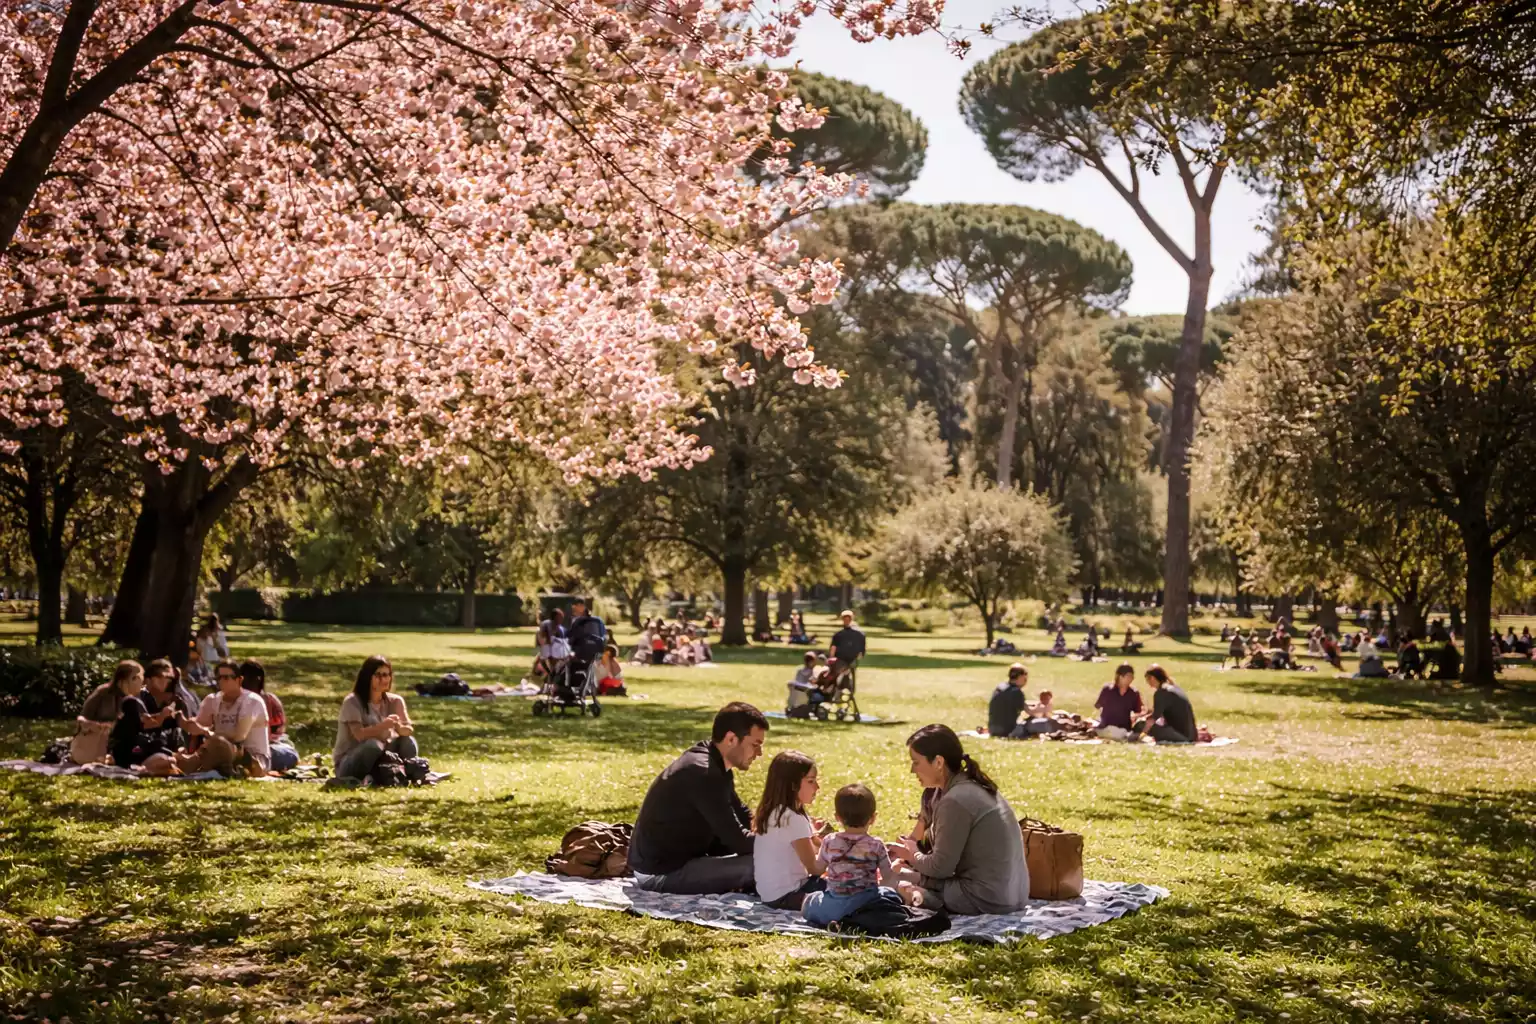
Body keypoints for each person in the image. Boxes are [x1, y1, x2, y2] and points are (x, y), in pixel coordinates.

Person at [628, 702, 768, 894]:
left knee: (767, 858)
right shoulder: (704, 772)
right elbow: (737, 840)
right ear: (731, 739)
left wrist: (774, 829)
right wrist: (781, 843)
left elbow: (741, 813)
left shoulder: (715, 764)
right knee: (762, 864)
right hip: (661, 873)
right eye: (755, 745)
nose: (759, 753)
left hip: (682, 860)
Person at [888, 725, 1028, 915]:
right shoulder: (965, 787)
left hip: (986, 899)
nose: (912, 770)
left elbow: (939, 869)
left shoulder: (955, 800)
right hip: (1010, 894)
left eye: (916, 762)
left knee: (889, 882)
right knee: (896, 874)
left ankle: (922, 898)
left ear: (938, 762)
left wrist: (912, 855)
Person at [801, 783, 904, 926]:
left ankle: (837, 920)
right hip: (867, 904)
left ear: (837, 817)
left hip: (834, 905)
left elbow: (818, 870)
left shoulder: (829, 841)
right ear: (873, 818)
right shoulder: (876, 845)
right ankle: (855, 919)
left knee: (810, 901)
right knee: (889, 894)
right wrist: (895, 868)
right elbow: (888, 878)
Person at [752, 750, 827, 911]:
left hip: (770, 895)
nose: (817, 787)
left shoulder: (776, 812)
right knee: (847, 891)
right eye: (811, 781)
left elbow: (810, 848)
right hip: (789, 896)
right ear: (793, 785)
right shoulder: (792, 819)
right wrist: (836, 854)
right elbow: (814, 868)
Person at [332, 655, 417, 782]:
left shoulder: (395, 701)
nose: (384, 679)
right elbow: (359, 734)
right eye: (379, 675)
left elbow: (408, 730)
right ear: (367, 677)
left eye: (387, 675)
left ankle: (405, 774)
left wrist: (399, 728)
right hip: (350, 761)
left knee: (408, 741)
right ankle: (374, 776)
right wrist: (384, 726)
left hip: (383, 757)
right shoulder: (352, 701)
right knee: (373, 745)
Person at [179, 658, 271, 775]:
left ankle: (195, 764)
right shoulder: (212, 700)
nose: (222, 681)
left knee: (219, 742)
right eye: (219, 678)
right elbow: (197, 729)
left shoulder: (251, 701)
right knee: (214, 744)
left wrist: (206, 732)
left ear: (239, 680)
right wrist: (187, 725)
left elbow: (238, 736)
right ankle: (192, 763)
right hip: (219, 751)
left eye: (226, 677)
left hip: (253, 757)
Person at [112, 658, 186, 775]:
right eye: (137, 678)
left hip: (141, 747)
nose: (167, 681)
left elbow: (151, 722)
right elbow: (145, 724)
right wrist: (162, 716)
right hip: (130, 751)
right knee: (166, 759)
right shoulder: (129, 701)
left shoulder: (143, 699)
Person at [72, 660, 144, 764]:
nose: (141, 682)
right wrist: (96, 725)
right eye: (139, 678)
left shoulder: (138, 698)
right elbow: (82, 718)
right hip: (99, 740)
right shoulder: (103, 693)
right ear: (129, 679)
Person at [241, 659, 299, 772]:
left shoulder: (269, 700)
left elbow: (276, 732)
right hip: (246, 746)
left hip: (273, 745)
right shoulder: (236, 701)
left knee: (285, 756)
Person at [1132, 665, 1197, 743]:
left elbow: (1153, 719)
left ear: (1152, 678)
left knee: (1139, 724)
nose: (1148, 683)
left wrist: (1142, 734)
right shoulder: (1174, 688)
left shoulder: (1161, 693)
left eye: (1147, 679)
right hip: (1192, 735)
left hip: (1180, 736)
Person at [1094, 663, 1144, 741]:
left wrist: (1137, 716)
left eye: (1132, 676)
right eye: (1129, 676)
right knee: (1114, 732)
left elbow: (1139, 710)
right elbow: (1098, 705)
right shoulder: (1108, 690)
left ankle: (1128, 736)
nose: (1131, 679)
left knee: (1140, 725)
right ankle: (1128, 736)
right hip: (1107, 727)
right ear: (1120, 677)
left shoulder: (1134, 693)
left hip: (1125, 727)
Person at [986, 663, 1028, 739]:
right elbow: (1027, 712)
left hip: (993, 729)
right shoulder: (1016, 692)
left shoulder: (1000, 687)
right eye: (1025, 679)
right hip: (1006, 731)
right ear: (1021, 676)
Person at [828, 610, 866, 681]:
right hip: (853, 658)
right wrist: (861, 654)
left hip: (841, 658)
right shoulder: (860, 634)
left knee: (837, 671)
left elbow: (833, 647)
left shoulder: (838, 634)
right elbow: (862, 647)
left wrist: (831, 658)